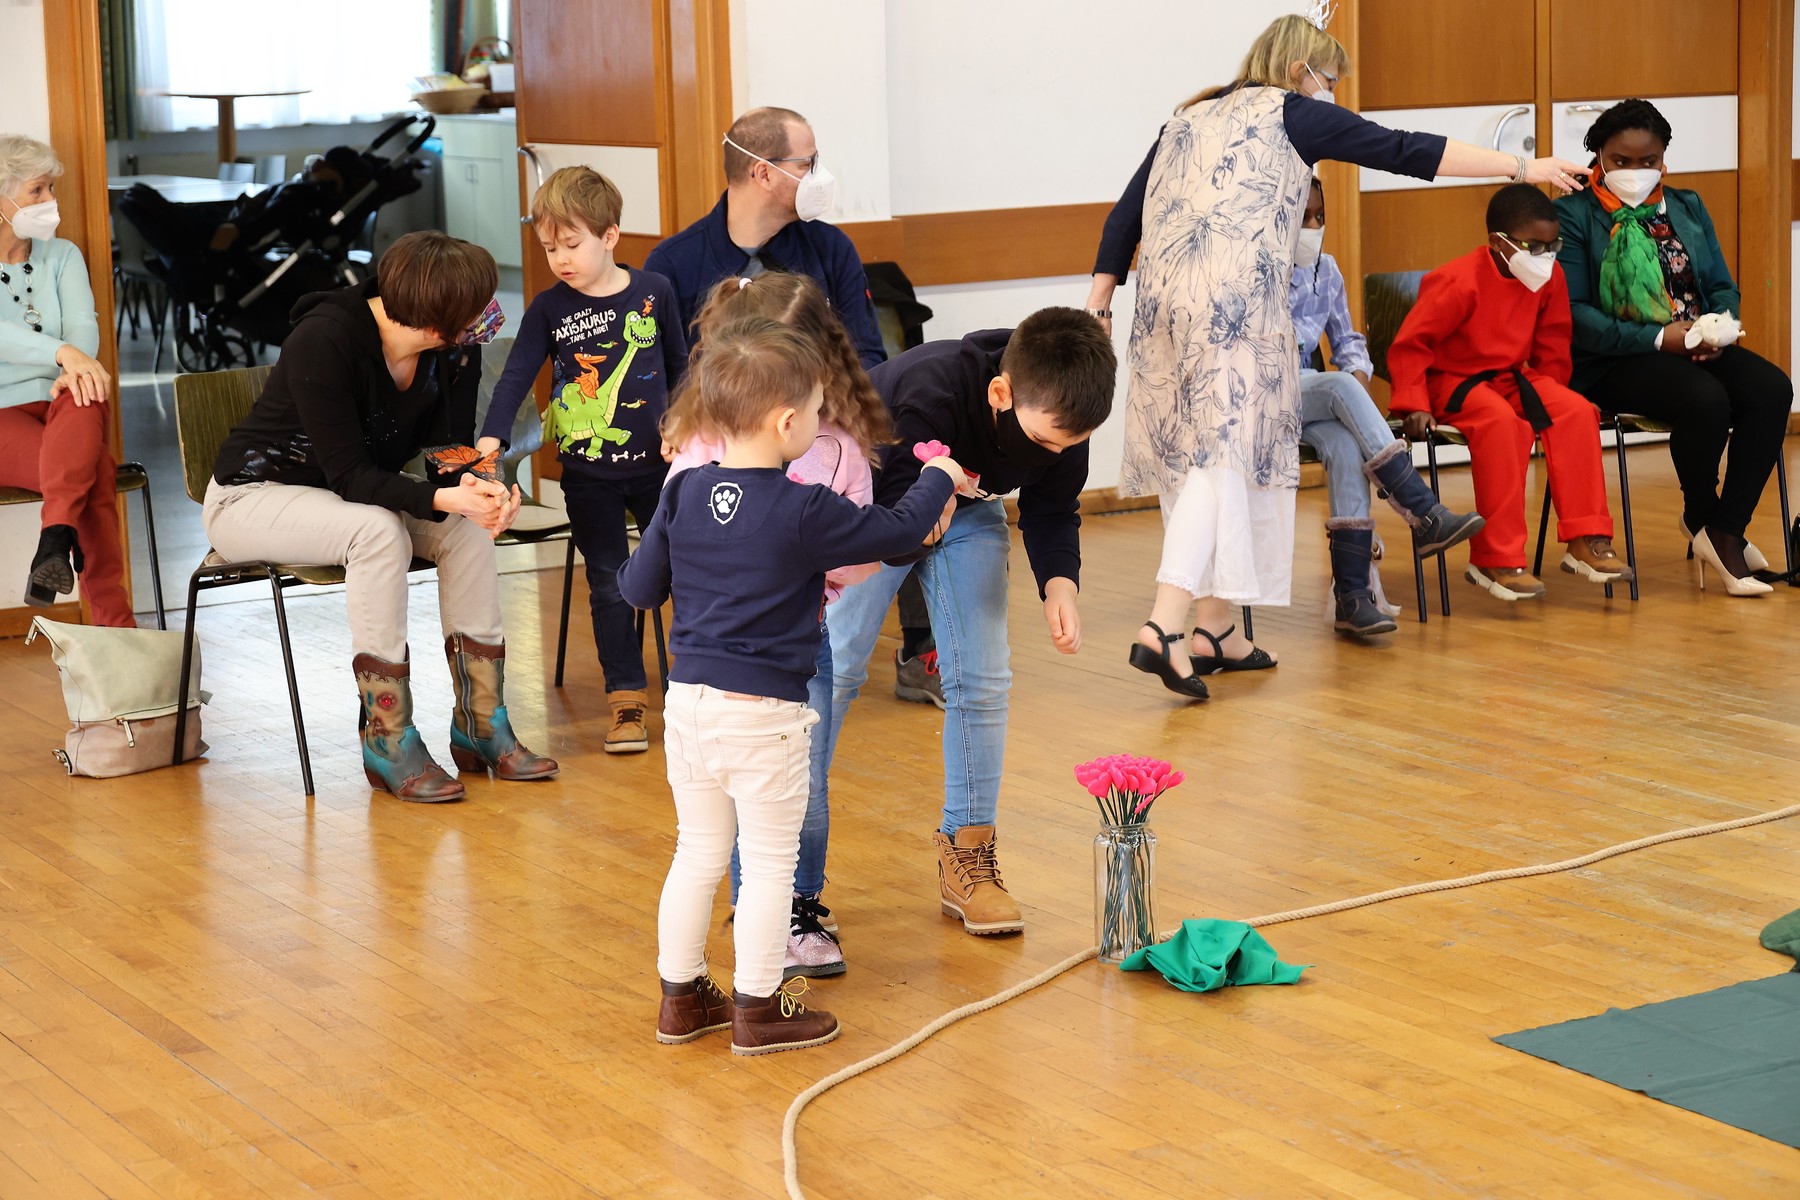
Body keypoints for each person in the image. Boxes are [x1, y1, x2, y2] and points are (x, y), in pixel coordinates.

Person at [1083, 13, 1588, 699]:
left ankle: (1216, 629)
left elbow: (1126, 215)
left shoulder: (1189, 116)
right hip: (1233, 314)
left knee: (1224, 467)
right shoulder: (1291, 113)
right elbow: (1404, 149)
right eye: (1329, 80)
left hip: (1164, 314)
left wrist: (1099, 302)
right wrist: (1524, 166)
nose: (1332, 93)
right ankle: (1164, 625)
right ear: (1302, 71)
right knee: (1221, 466)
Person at [619, 315, 967, 1055]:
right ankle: (756, 1008)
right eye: (814, 411)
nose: (819, 422)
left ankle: (681, 999)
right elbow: (898, 531)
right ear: (786, 424)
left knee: (697, 852)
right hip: (765, 718)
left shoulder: (682, 494)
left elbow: (639, 588)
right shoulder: (804, 507)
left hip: (688, 708)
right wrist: (938, 474)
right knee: (771, 865)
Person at [206, 231, 557, 802]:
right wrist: (445, 499)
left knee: (464, 527)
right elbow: (350, 475)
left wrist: (485, 489)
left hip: (350, 498)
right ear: (436, 319)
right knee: (378, 532)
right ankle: (388, 740)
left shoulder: (455, 348)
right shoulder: (325, 339)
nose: (488, 316)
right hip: (253, 498)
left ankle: (482, 725)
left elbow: (447, 453)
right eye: (476, 308)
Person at [1092, 170, 1483, 640]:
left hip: (1305, 398)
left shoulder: (1327, 271)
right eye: (1303, 218)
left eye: (1320, 217)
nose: (1314, 227)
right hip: (1250, 401)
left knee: (1344, 440)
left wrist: (1357, 379)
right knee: (1337, 389)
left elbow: (1348, 342)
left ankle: (1353, 595)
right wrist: (1345, 388)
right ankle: (1420, 508)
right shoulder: (1245, 270)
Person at [826, 308, 1117, 937]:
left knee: (983, 680)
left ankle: (969, 856)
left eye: (1069, 446)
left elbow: (1052, 507)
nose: (1055, 454)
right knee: (836, 670)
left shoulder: (1062, 417)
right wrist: (921, 524)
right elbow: (895, 521)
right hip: (876, 505)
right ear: (1001, 395)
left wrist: (1060, 584)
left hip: (968, 510)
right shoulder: (930, 391)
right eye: (1045, 443)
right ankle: (785, 866)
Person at [644, 105, 941, 707]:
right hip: (724, 438)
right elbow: (667, 372)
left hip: (820, 429)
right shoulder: (673, 263)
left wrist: (828, 417)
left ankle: (916, 647)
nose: (817, 174)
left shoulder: (830, 248)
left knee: (903, 472)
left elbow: (865, 353)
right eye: (807, 163)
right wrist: (683, 425)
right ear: (763, 172)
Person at [663, 271, 902, 981]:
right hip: (716, 665)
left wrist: (816, 561)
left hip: (798, 649)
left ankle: (788, 917)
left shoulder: (840, 450)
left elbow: (859, 557)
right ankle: (753, 967)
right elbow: (671, 543)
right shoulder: (699, 446)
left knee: (802, 795)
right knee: (716, 839)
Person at [476, 167, 687, 752]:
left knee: (688, 572)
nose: (560, 259)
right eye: (550, 248)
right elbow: (516, 375)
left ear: (610, 235)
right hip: (589, 476)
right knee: (609, 583)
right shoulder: (549, 307)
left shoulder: (655, 291)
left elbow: (682, 366)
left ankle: (699, 688)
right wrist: (493, 437)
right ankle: (626, 700)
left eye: (571, 244)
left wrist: (686, 423)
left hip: (661, 471)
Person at [1554, 99, 1792, 596]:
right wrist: (1662, 337)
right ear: (1599, 157)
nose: (1636, 170)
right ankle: (1703, 518)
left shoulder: (1686, 205)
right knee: (1705, 398)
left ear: (1664, 158)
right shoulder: (1574, 215)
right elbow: (1574, 313)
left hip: (1695, 343)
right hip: (1613, 358)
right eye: (1621, 160)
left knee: (1772, 389)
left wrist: (1716, 327)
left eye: (1649, 160)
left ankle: (1726, 528)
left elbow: (1721, 285)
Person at [1387, 184, 1634, 600]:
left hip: (1509, 378)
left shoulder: (1549, 276)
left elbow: (1552, 347)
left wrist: (1553, 402)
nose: (1546, 255)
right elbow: (1411, 345)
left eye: (1553, 246)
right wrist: (1413, 403)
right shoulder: (1456, 280)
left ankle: (1586, 538)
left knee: (1576, 412)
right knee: (1502, 424)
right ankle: (1495, 558)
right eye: (1535, 246)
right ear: (1498, 243)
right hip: (1451, 380)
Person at [0, 134, 132, 624]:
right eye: (36, 190)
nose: (49, 201)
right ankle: (115, 626)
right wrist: (62, 354)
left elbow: (82, 326)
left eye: (50, 188)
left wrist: (73, 362)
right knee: (94, 473)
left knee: (86, 387)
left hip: (64, 401)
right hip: (3, 413)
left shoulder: (63, 255)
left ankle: (54, 540)